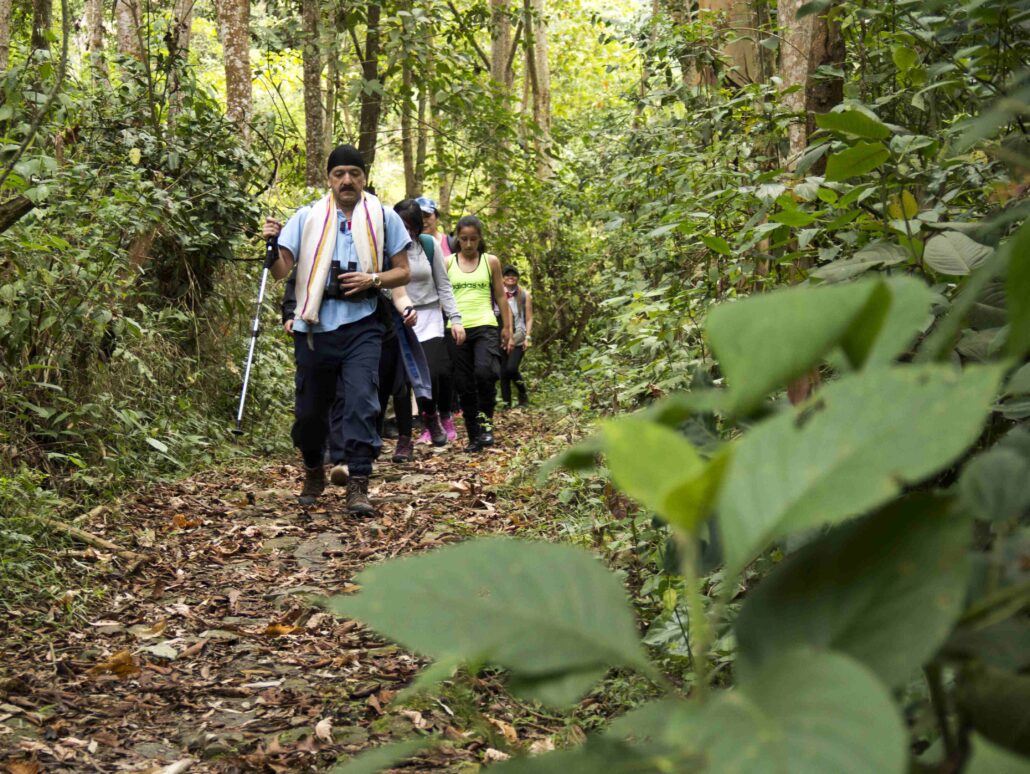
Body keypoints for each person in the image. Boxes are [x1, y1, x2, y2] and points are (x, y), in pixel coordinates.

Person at [262, 144, 411, 515]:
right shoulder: (308, 217)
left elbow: (403, 270)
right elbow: (282, 270)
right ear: (329, 178)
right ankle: (313, 469)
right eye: (339, 173)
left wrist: (373, 279)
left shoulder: (383, 216)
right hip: (314, 327)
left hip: (363, 323)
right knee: (310, 412)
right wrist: (271, 243)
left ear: (365, 178)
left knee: (362, 401)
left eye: (354, 173)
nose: (347, 180)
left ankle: (358, 484)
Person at [394, 199, 465, 447]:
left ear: (415, 226)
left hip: (430, 315)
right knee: (403, 381)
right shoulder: (385, 247)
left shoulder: (428, 245)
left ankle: (435, 416)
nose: (403, 230)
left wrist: (455, 319)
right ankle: (410, 434)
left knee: (434, 371)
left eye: (407, 225)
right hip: (401, 317)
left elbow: (444, 285)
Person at [446, 215, 512, 452]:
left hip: (485, 324)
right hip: (457, 329)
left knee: (485, 373)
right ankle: (474, 435)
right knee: (463, 383)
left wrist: (507, 327)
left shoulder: (490, 261)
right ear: (457, 239)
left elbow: (501, 295)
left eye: (473, 238)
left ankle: (486, 425)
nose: (469, 244)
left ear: (480, 238)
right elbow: (443, 296)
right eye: (464, 239)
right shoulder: (448, 263)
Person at [500, 265, 533, 408]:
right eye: (507, 275)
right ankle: (506, 404)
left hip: (519, 336)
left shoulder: (525, 295)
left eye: (513, 275)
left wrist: (528, 337)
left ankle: (523, 394)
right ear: (502, 278)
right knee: (503, 373)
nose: (510, 277)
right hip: (502, 336)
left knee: (511, 369)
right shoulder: (497, 294)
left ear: (517, 278)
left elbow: (529, 318)